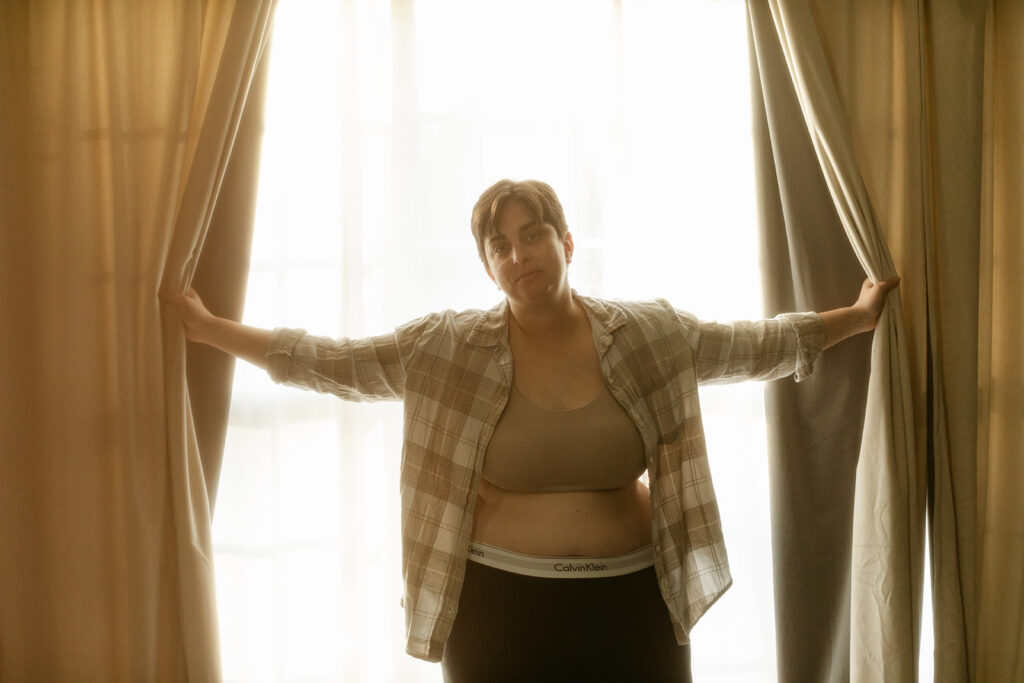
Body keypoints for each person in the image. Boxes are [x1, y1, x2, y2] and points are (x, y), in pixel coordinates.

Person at [164, 179, 899, 682]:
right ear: (488, 266)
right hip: (499, 608)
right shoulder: (446, 347)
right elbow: (332, 362)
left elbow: (756, 344)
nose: (520, 255)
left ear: (568, 241)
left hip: (635, 603)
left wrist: (859, 317)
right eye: (500, 245)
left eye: (533, 234)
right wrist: (212, 330)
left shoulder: (650, 334)